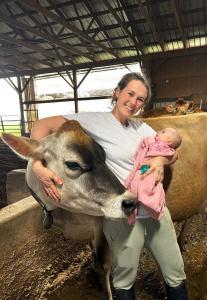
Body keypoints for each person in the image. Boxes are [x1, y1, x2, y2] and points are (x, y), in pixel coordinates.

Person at [30, 72, 188, 300]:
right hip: (123, 213)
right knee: (124, 278)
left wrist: (159, 160)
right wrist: (36, 164)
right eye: (130, 94)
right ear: (117, 92)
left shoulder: (140, 128)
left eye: (140, 99)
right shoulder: (94, 121)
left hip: (156, 210)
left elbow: (172, 151)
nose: (134, 102)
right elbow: (42, 125)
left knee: (175, 271)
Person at [125, 128, 182, 224]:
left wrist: (160, 160)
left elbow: (174, 154)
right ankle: (132, 212)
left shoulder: (163, 147)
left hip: (149, 171)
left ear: (168, 141)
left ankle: (151, 205)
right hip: (142, 169)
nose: (159, 132)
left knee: (147, 187)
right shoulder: (155, 140)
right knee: (134, 187)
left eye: (163, 132)